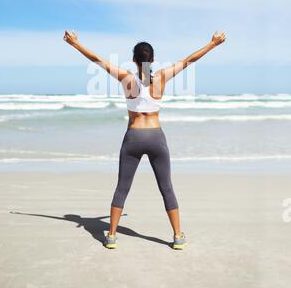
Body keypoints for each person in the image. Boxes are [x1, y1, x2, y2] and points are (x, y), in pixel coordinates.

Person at [63, 30, 226, 249]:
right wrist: (213, 44)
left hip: (133, 138)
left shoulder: (126, 78)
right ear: (153, 59)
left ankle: (111, 236)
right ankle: (178, 237)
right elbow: (189, 60)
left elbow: (97, 60)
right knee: (166, 188)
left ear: (133, 60)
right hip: (156, 137)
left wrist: (75, 44)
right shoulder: (162, 77)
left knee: (122, 188)